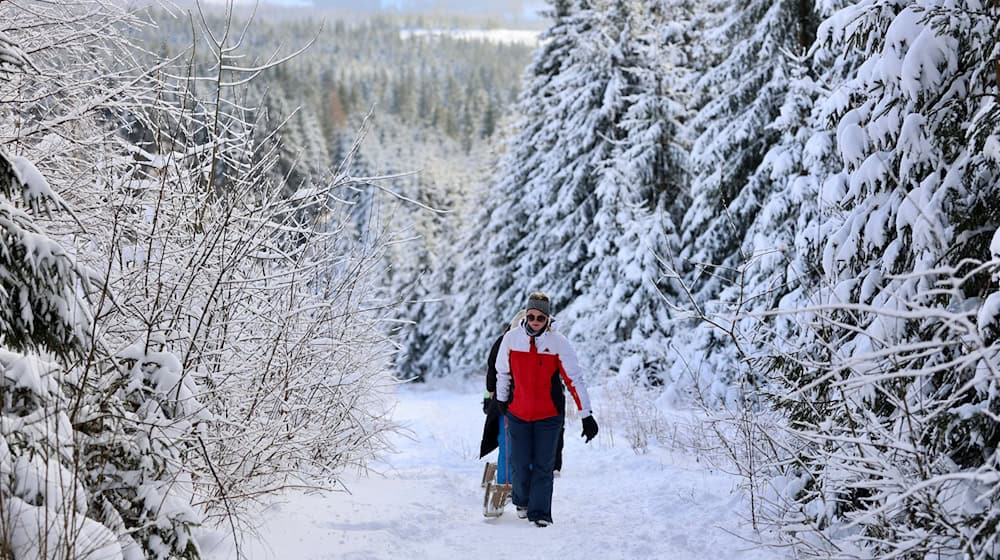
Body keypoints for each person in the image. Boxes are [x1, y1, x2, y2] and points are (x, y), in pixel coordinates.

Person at [494, 292, 599, 527]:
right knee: (519, 463)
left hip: (549, 416)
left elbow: (575, 379)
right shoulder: (511, 339)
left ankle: (540, 512)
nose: (534, 321)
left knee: (544, 465)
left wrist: (587, 415)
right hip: (518, 413)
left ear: (548, 320)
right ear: (525, 316)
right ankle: (521, 501)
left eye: (540, 318)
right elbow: (502, 372)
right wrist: (501, 400)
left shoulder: (558, 343)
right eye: (531, 316)